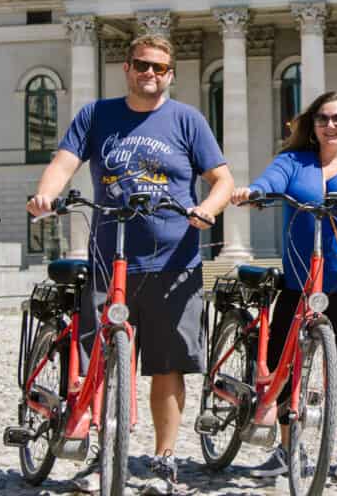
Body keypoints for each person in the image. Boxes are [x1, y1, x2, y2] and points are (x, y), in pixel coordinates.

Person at [27, 35, 233, 495]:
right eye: (143, 65)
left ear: (170, 74)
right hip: (110, 257)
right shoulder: (97, 115)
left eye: (160, 68)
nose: (151, 74)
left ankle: (163, 460)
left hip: (173, 260)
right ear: (127, 67)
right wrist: (46, 193)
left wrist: (210, 209)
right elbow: (64, 161)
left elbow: (221, 179)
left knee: (168, 365)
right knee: (100, 361)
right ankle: (105, 455)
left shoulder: (187, 120)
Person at [230, 91, 337, 481]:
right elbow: (270, 181)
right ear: (313, 124)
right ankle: (288, 448)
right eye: (323, 119)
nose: (331, 126)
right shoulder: (293, 162)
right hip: (300, 277)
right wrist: (254, 192)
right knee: (282, 360)